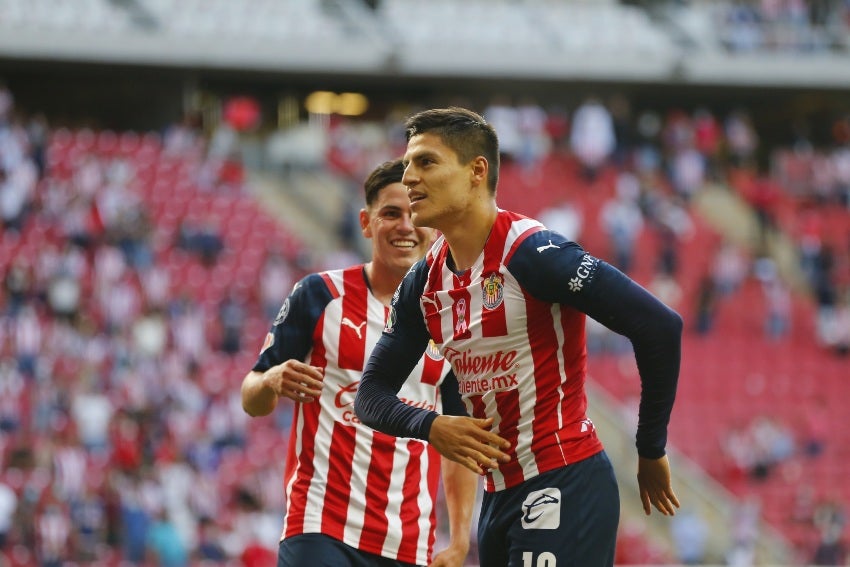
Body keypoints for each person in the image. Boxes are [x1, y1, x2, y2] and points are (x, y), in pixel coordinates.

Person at [355, 107, 682, 567]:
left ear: (476, 171)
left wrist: (650, 449)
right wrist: (431, 426)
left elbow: (660, 326)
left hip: (562, 480)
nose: (408, 177)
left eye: (426, 162)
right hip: (498, 500)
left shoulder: (534, 253)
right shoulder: (422, 285)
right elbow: (369, 395)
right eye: (408, 164)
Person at [240, 158, 478, 567]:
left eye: (415, 214)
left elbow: (459, 441)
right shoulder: (319, 295)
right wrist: (272, 380)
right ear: (367, 223)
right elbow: (251, 398)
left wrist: (458, 539)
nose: (405, 226)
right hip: (321, 526)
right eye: (391, 214)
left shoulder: (453, 321)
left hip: (408, 541)